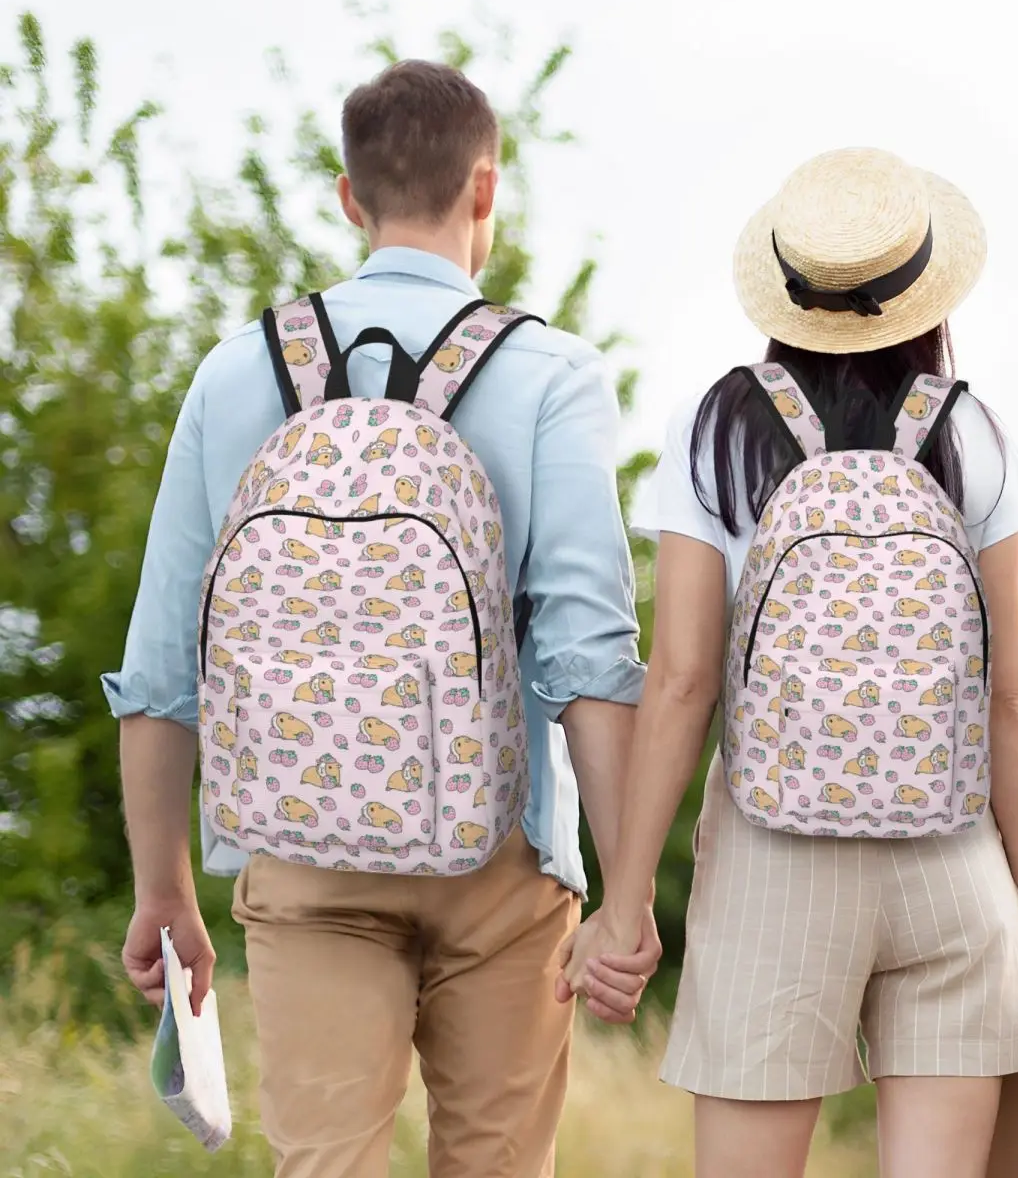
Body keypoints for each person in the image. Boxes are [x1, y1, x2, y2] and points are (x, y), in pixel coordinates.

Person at [105, 59, 661, 1178]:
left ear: (349, 197)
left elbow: (164, 661)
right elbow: (588, 657)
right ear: (486, 191)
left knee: (325, 1164)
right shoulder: (550, 373)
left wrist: (162, 886)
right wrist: (628, 893)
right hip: (503, 857)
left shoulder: (236, 373)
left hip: (302, 850)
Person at [561, 147, 1018, 1178]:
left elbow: (681, 683)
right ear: (924, 291)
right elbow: (1009, 702)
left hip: (772, 864)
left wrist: (623, 906)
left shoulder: (717, 428)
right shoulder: (973, 434)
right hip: (954, 866)